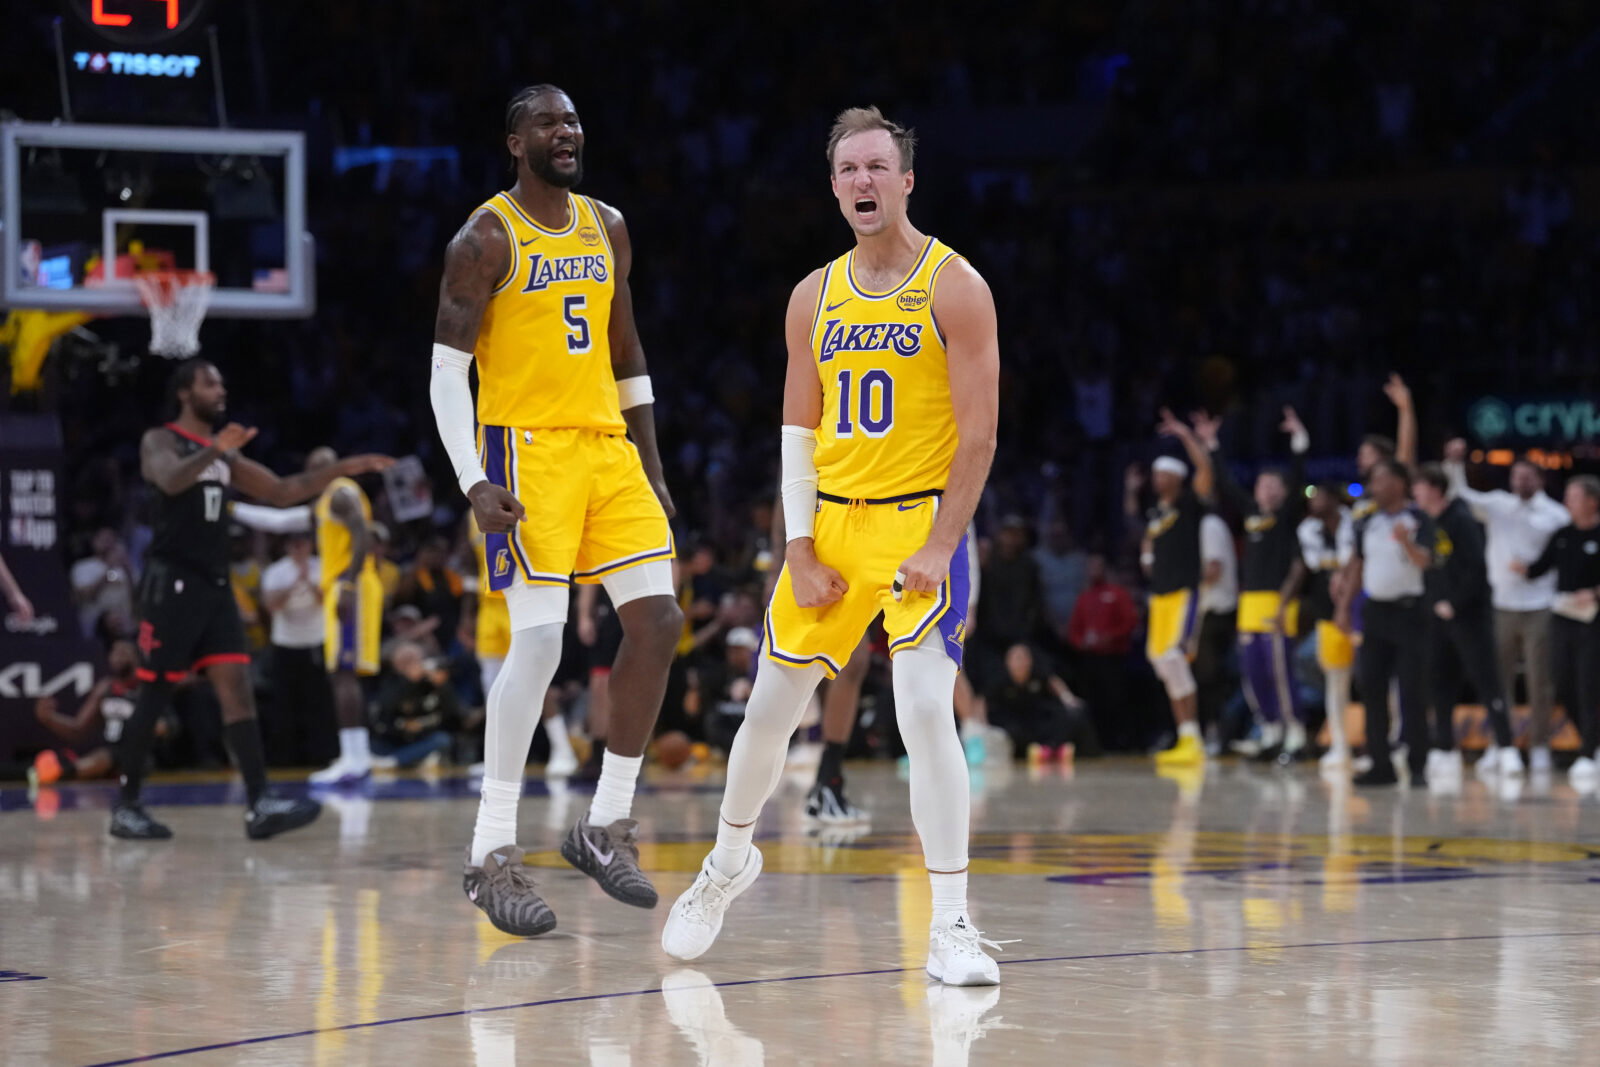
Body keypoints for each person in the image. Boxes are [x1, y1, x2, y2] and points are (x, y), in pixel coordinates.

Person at [662, 107, 1007, 985]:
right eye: (848, 169)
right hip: (836, 527)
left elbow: (979, 437)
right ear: (834, 187)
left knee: (927, 708)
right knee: (769, 714)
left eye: (877, 167)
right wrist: (799, 545)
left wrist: (939, 543)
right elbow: (796, 434)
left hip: (922, 519)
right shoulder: (812, 296)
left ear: (906, 180)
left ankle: (953, 923)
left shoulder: (956, 285)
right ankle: (728, 862)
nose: (863, 181)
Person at [429, 85, 683, 936]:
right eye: (548, 121)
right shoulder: (485, 237)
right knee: (537, 642)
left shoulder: (607, 224)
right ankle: (489, 852)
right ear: (514, 141)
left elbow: (627, 348)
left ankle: (604, 825)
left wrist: (650, 461)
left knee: (658, 622)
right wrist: (472, 478)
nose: (566, 131)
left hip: (606, 449)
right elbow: (443, 376)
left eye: (574, 119)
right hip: (524, 451)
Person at [113, 358, 391, 839]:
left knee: (237, 689)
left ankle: (259, 803)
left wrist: (347, 468)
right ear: (185, 392)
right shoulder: (161, 441)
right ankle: (127, 806)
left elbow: (284, 491)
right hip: (172, 582)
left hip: (214, 585)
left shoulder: (224, 456)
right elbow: (170, 479)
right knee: (156, 690)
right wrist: (213, 451)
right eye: (210, 382)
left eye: (222, 381)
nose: (221, 389)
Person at [1442, 440, 1567, 775]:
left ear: (1539, 480)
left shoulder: (1556, 515)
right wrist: (1454, 464)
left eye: (1527, 477)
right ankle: (1502, 743)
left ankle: (1540, 745)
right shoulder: (1498, 505)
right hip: (1500, 605)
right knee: (1498, 679)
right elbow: (1459, 496)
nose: (1520, 483)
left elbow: (1563, 557)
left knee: (1541, 680)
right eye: (1516, 477)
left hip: (1540, 605)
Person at [1198, 407, 1309, 760]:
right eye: (1262, 484)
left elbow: (1298, 474)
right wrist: (1212, 444)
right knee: (1253, 671)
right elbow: (1227, 484)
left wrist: (1299, 442)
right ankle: (1271, 727)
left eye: (1273, 485)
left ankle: (1295, 731)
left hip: (1278, 601)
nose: (1266, 489)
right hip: (1250, 603)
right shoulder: (1251, 514)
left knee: (1280, 670)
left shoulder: (1286, 516)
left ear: (1282, 492)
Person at [1411, 464, 1519, 782]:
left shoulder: (1461, 519)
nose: (1414, 493)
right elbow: (1429, 566)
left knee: (1486, 680)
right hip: (1438, 616)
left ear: (1434, 488)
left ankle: (1506, 747)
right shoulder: (1425, 524)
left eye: (1418, 486)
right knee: (1440, 681)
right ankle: (1444, 748)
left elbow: (1476, 570)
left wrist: (1454, 603)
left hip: (1470, 615)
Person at [1336, 458, 1432, 787]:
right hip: (1375, 612)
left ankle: (1418, 765)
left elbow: (1427, 562)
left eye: (1379, 480)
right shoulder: (1368, 522)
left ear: (1398, 483)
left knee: (1411, 690)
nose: (1373, 487)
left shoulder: (1420, 518)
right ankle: (1380, 764)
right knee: (1371, 687)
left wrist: (1406, 541)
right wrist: (1344, 607)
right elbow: (1356, 566)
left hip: (1410, 613)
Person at [468, 515, 577, 777]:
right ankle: (498, 758)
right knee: (492, 685)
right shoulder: (472, 511)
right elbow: (471, 558)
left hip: (521, 598)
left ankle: (563, 750)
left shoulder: (522, 497)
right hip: (488, 605)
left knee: (535, 679)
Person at [1511, 475, 1600, 789]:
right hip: (1563, 617)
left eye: (1574, 497)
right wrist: (1521, 568)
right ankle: (1593, 741)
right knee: (1563, 682)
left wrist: (1595, 594)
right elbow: (1540, 567)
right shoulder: (1563, 534)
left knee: (1590, 684)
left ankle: (1589, 752)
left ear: (1592, 501)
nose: (1568, 502)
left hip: (1593, 620)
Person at [307, 447, 387, 786]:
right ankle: (356, 755)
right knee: (344, 673)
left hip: (348, 584)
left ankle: (354, 759)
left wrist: (350, 585)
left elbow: (363, 537)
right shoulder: (330, 499)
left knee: (343, 673)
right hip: (348, 584)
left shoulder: (339, 492)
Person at [1140, 410, 1215, 766]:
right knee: (1161, 662)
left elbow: (1205, 473)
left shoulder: (1188, 503)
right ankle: (1186, 738)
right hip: (1159, 596)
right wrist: (1146, 553)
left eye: (1162, 473)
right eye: (1155, 473)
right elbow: (1149, 538)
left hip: (1184, 592)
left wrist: (1186, 435)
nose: (1157, 478)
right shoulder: (1156, 511)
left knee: (1174, 658)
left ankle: (1193, 738)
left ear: (1176, 476)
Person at [259, 531, 336, 767]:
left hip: (316, 641)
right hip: (285, 642)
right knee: (284, 703)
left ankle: (322, 756)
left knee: (319, 702)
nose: (298, 549)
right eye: (293, 544)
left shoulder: (323, 566)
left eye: (302, 544)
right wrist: (295, 583)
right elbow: (271, 606)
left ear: (310, 545)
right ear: (287, 547)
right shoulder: (276, 571)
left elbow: (329, 600)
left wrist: (309, 582)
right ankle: (284, 758)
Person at [1296, 483, 1356, 768]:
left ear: (1333, 498)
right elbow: (1314, 565)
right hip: (1327, 615)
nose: (1313, 501)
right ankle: (1340, 745)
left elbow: (1351, 564)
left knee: (1376, 681)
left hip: (1360, 613)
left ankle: (1391, 743)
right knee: (1335, 681)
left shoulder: (1355, 523)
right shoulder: (1307, 529)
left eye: (1319, 495)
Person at [28, 640, 142, 787]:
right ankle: (60, 771)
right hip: (110, 753)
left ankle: (62, 772)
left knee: (110, 758)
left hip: (140, 753)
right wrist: (49, 718)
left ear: (137, 658)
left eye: (124, 653)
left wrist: (152, 725)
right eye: (115, 653)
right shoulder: (105, 688)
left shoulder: (145, 689)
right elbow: (78, 728)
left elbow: (168, 725)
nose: (118, 657)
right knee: (105, 757)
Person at [1067, 554, 1139, 750]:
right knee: (1094, 702)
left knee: (1118, 701)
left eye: (1098, 566)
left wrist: (1111, 637)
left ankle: (1125, 744)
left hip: (1114, 658)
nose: (1094, 571)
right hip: (1091, 660)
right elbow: (1074, 629)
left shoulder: (1117, 593)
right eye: (1091, 567)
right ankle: (1099, 744)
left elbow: (1130, 622)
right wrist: (1081, 642)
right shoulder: (1084, 597)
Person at [983, 643, 1094, 763]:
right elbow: (982, 701)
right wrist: (981, 724)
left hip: (1036, 718)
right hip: (1014, 722)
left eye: (1024, 658)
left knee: (1070, 715)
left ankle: (1052, 749)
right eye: (1017, 658)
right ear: (1008, 661)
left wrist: (1067, 697)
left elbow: (1053, 681)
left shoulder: (1037, 673)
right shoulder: (998, 679)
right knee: (1012, 733)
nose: (1021, 663)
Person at [371, 642, 462, 769]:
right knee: (373, 744)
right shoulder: (391, 681)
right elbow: (385, 709)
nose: (415, 665)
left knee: (442, 739)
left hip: (420, 739)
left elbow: (454, 714)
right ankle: (404, 759)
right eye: (407, 662)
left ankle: (396, 760)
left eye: (417, 661)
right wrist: (408, 681)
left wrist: (443, 687)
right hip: (391, 738)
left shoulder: (431, 683)